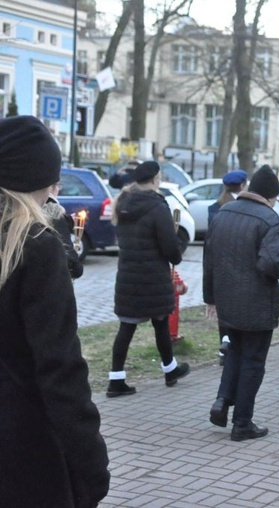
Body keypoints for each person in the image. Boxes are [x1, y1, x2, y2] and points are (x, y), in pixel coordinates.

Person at [0, 115, 110, 507]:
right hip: (22, 452)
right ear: (37, 178)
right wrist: (91, 463)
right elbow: (60, 369)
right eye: (53, 178)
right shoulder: (35, 245)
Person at [204, 165, 279, 441]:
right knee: (253, 362)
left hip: (227, 301)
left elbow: (209, 258)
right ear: (270, 197)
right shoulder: (271, 221)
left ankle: (222, 400)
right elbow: (271, 264)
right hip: (257, 305)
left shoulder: (223, 213)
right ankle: (242, 423)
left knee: (234, 352)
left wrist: (210, 299)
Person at [106, 160, 189, 397]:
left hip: (129, 275)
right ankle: (169, 370)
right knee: (160, 321)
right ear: (154, 180)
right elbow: (169, 246)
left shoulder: (122, 203)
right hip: (153, 276)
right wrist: (176, 253)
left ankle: (117, 378)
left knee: (128, 325)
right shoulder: (157, 206)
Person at [207, 169, 249, 365]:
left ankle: (224, 343)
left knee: (223, 306)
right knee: (239, 306)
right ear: (242, 186)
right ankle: (232, 343)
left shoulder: (215, 207)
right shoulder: (243, 207)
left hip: (219, 263)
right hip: (239, 263)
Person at [43, 181, 84, 279]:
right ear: (51, 188)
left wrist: (67, 221)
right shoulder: (54, 213)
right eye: (58, 186)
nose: (58, 190)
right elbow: (73, 265)